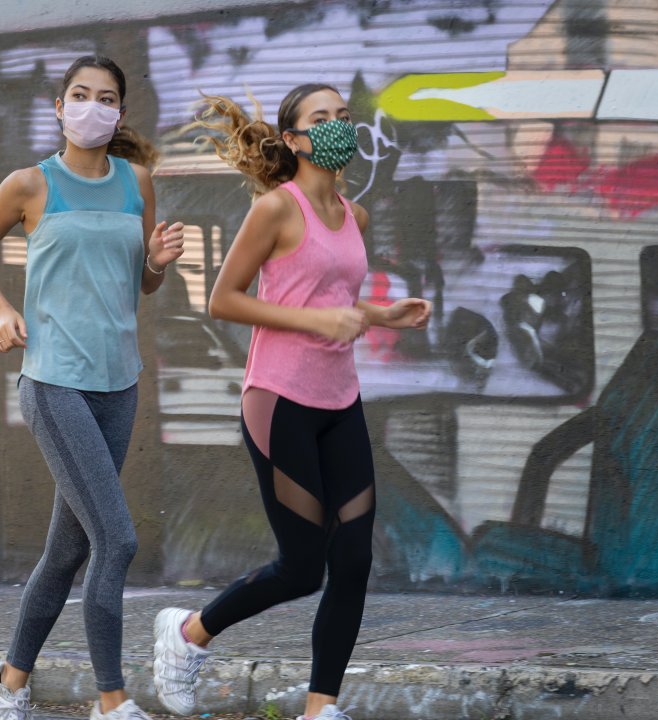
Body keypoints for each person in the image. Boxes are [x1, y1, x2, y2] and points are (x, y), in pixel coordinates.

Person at [150, 84, 431, 720]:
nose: (337, 126)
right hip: (279, 402)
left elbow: (329, 299)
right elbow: (224, 299)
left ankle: (319, 708)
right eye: (320, 118)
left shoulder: (354, 217)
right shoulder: (277, 209)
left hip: (341, 403)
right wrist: (316, 324)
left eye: (343, 116)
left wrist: (382, 313)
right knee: (303, 568)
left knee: (354, 559)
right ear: (294, 139)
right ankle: (188, 633)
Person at [0, 54, 186, 720]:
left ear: (120, 111)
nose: (92, 106)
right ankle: (112, 701)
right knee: (116, 540)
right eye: (79, 95)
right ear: (59, 108)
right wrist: (2, 310)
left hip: (119, 385)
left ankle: (6, 682)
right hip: (55, 382)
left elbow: (141, 283)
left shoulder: (137, 181)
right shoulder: (30, 184)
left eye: (106, 97)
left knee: (68, 550)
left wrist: (161, 266)